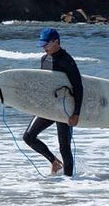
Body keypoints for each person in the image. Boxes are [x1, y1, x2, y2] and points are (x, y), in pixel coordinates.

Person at [22, 28, 82, 176]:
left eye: (46, 44)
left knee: (64, 147)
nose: (43, 47)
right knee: (28, 137)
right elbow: (45, 86)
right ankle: (54, 162)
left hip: (64, 108)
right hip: (48, 107)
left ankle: (69, 182)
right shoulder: (44, 59)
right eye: (42, 44)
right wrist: (35, 106)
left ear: (56, 41)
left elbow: (78, 87)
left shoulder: (67, 61)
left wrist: (76, 113)